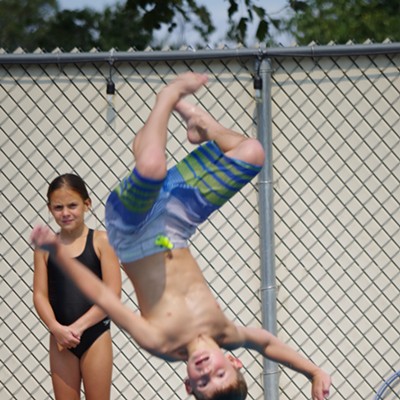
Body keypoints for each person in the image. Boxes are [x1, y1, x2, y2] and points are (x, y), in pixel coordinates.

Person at [31, 72, 331, 400]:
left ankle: (167, 95)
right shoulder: (228, 333)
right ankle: (201, 126)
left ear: (188, 385)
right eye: (219, 372)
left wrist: (57, 253)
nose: (206, 371)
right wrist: (312, 371)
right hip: (177, 225)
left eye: (202, 382)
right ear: (234, 360)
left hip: (130, 230)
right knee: (253, 152)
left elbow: (103, 297)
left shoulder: (161, 343)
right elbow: (268, 343)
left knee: (152, 167)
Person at [32, 173, 121, 400]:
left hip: (94, 335)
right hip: (61, 339)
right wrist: (56, 328)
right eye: (58, 207)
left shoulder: (102, 241)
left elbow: (112, 295)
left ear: (87, 204)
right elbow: (40, 295)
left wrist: (78, 328)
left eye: (72, 205)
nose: (65, 213)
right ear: (50, 209)